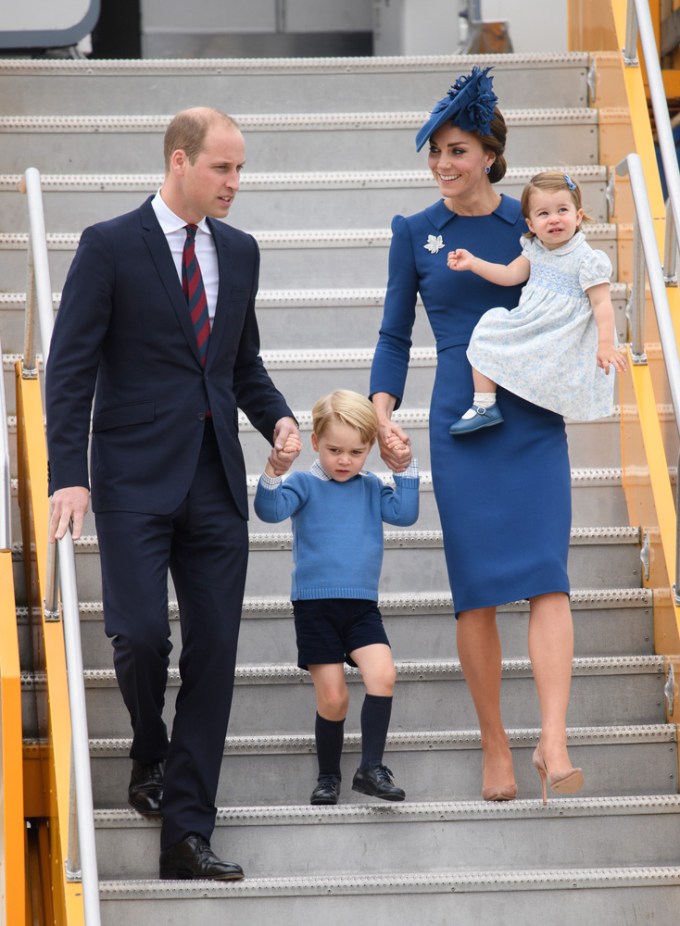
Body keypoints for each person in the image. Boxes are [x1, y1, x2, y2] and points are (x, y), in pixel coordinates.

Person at [45, 107, 301, 879]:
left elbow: (238, 364)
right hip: (129, 480)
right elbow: (71, 369)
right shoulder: (110, 246)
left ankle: (187, 832)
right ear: (180, 161)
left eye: (241, 169)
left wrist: (279, 419)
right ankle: (149, 750)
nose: (234, 183)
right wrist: (70, 474)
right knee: (141, 635)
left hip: (215, 480)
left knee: (216, 654)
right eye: (223, 168)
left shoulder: (241, 252)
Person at [369, 66, 586, 804]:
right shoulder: (415, 232)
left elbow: (575, 293)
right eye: (435, 151)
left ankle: (552, 740)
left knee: (548, 578)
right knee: (478, 595)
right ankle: (496, 742)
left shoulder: (526, 224)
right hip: (462, 418)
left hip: (531, 412)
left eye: (456, 151)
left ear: (490, 155)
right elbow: (394, 335)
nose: (441, 165)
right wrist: (382, 409)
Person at [254, 390, 419, 806]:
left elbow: (406, 513)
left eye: (356, 452)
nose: (344, 460)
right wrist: (275, 468)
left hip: (361, 607)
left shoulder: (369, 486)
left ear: (369, 450)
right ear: (315, 444)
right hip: (315, 608)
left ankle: (371, 767)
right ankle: (328, 775)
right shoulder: (305, 483)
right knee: (333, 697)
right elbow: (269, 511)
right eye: (334, 450)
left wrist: (405, 467)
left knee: (382, 674)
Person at [447, 171, 626, 435]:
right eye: (543, 214)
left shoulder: (588, 259)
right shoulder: (535, 250)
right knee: (488, 328)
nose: (554, 219)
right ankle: (485, 405)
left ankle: (540, 398)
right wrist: (474, 263)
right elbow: (509, 275)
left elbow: (601, 304)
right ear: (531, 225)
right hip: (533, 324)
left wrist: (606, 346)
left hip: (564, 334)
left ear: (577, 217)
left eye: (562, 210)